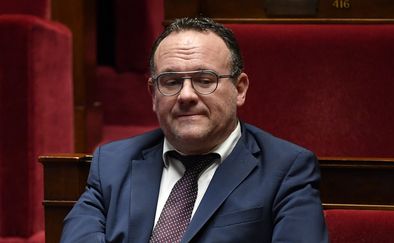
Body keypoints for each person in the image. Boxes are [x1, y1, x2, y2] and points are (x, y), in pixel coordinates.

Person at [60, 17, 328, 242]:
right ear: (154, 94)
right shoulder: (112, 164)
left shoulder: (287, 169)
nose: (186, 95)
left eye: (204, 80)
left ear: (240, 89)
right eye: (171, 81)